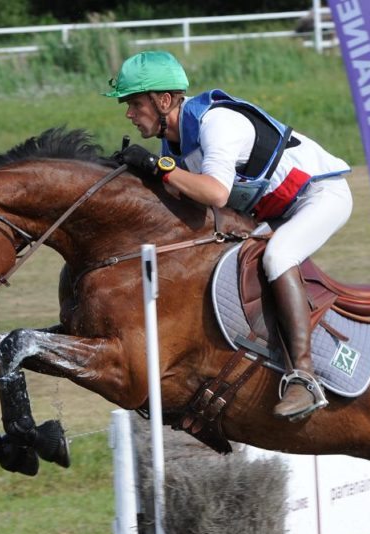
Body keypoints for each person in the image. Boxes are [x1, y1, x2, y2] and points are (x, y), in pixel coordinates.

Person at [104, 50, 353, 421]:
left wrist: (159, 168)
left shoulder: (215, 123)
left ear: (164, 101)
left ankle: (305, 378)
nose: (128, 113)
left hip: (320, 196)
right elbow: (179, 196)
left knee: (277, 257)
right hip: (276, 212)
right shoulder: (174, 142)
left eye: (135, 103)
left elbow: (216, 193)